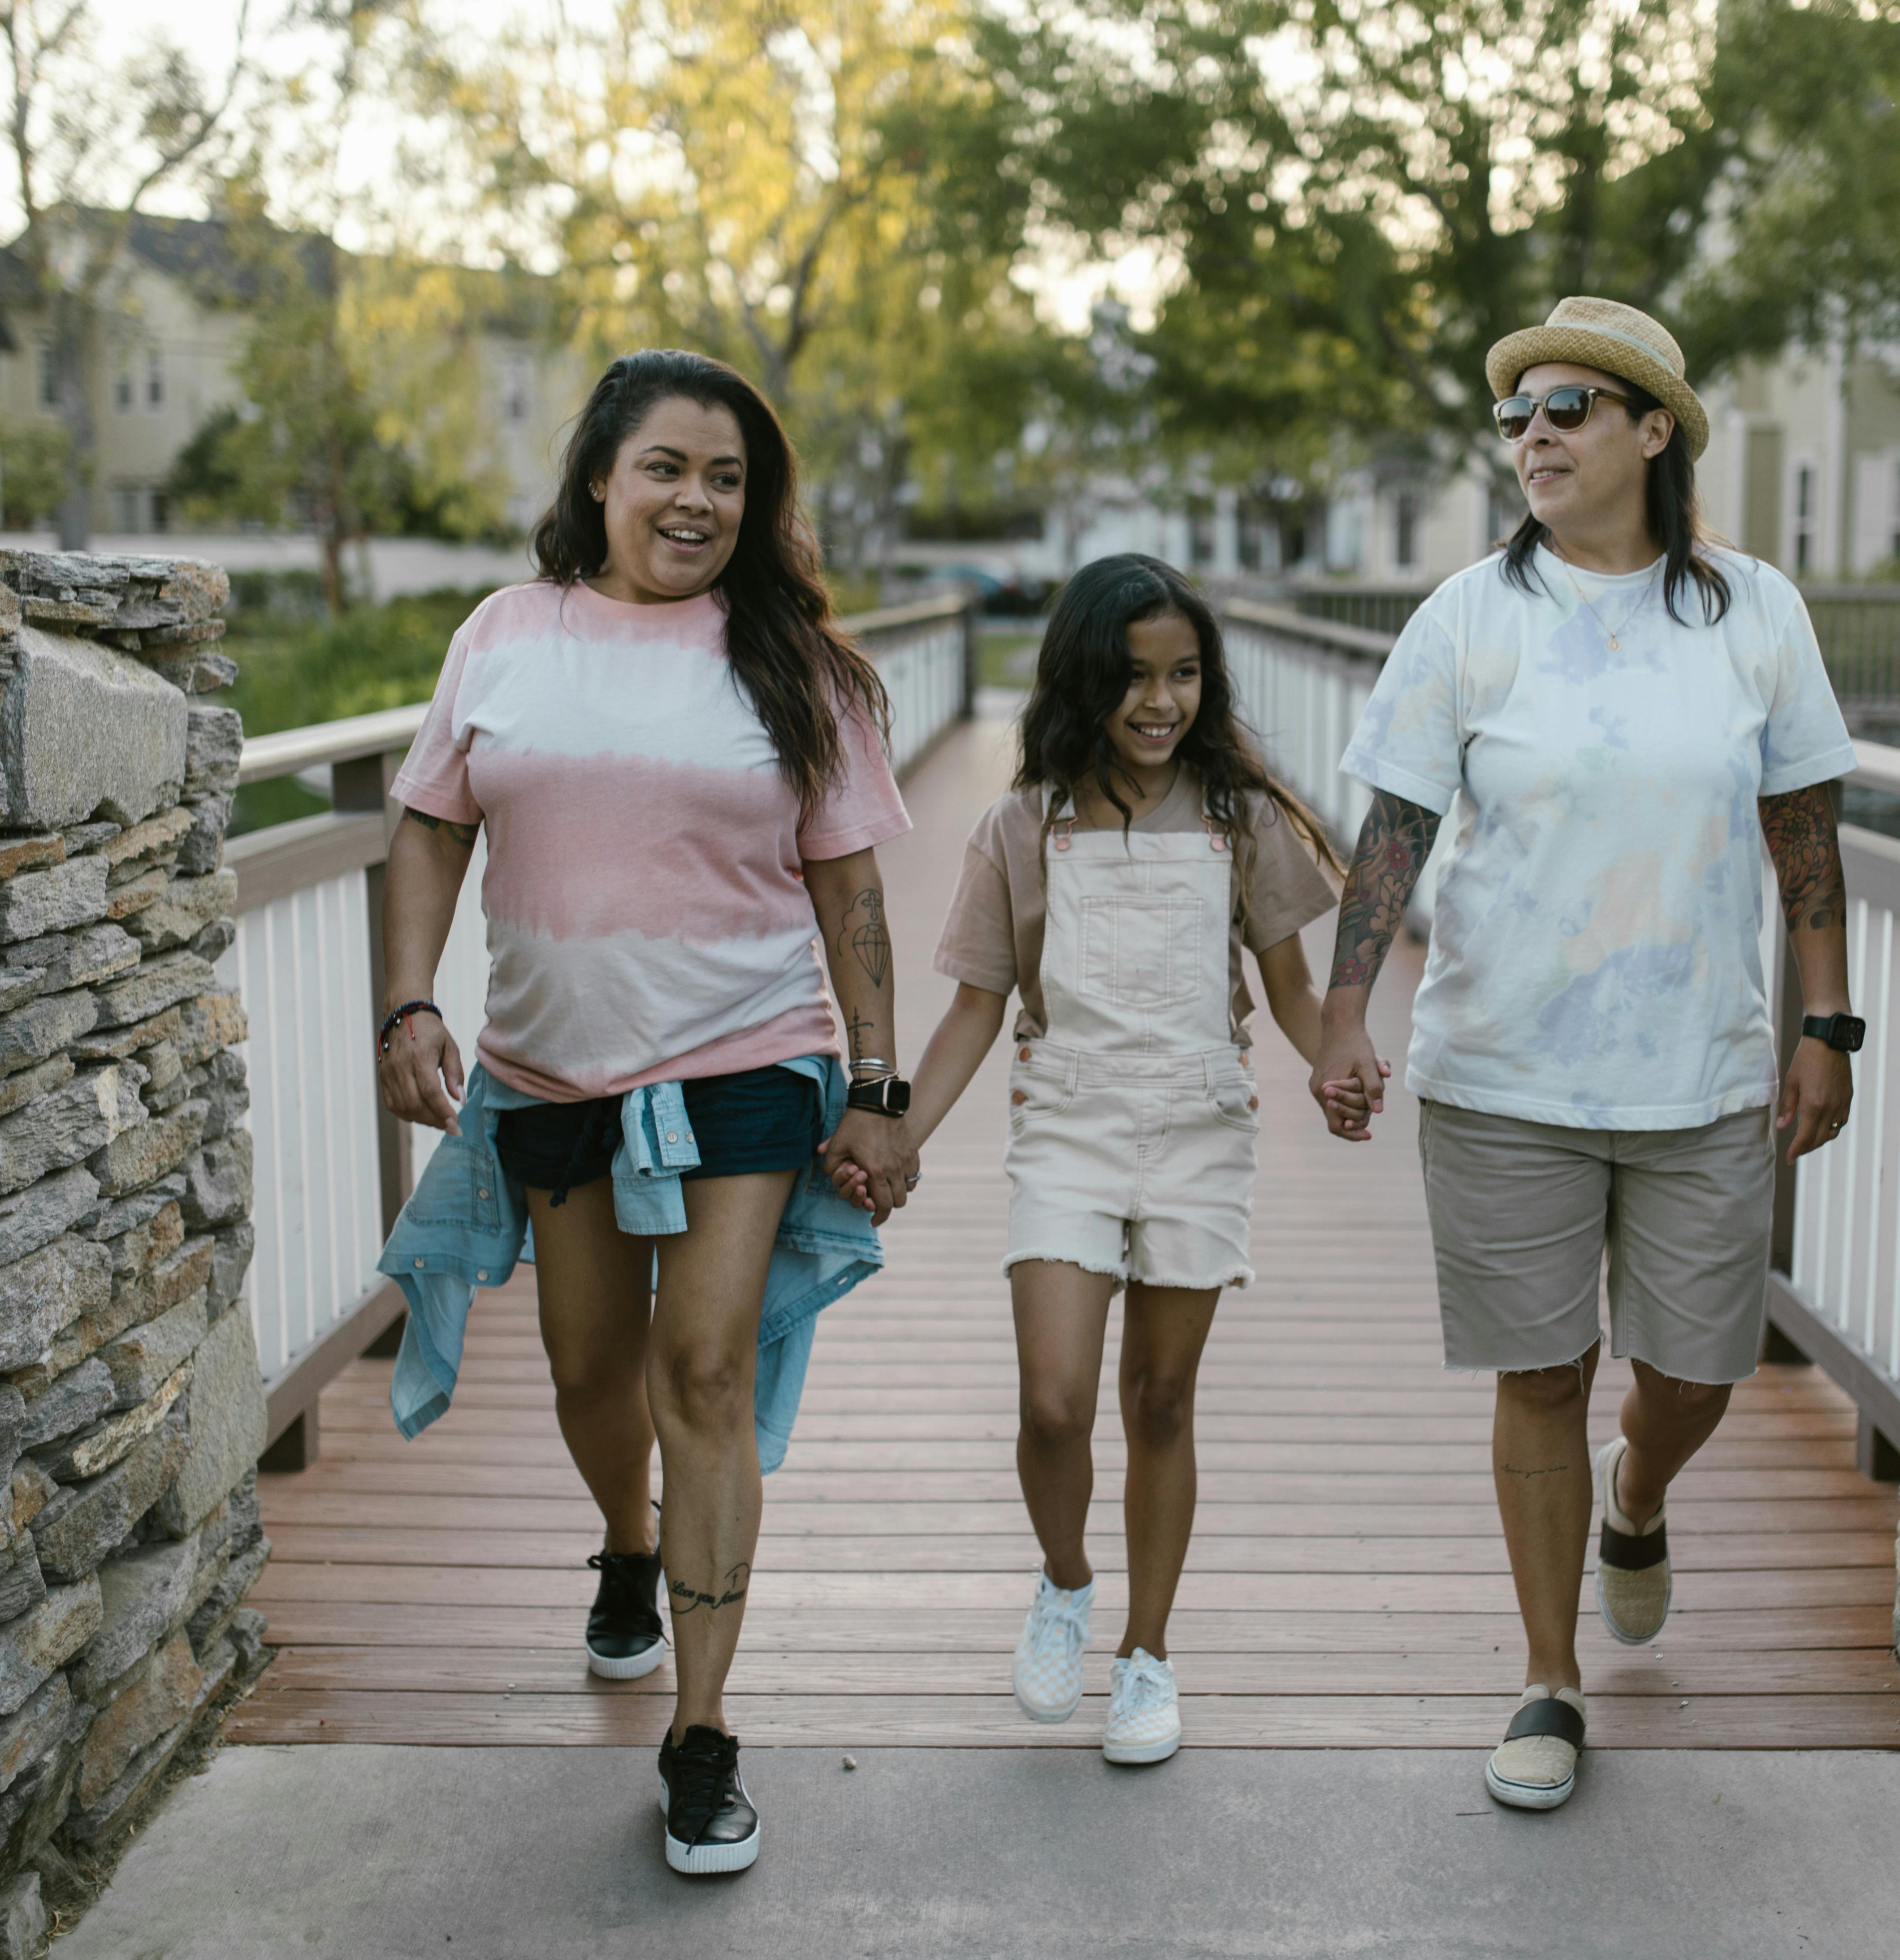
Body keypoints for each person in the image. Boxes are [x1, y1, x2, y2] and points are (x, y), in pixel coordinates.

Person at [371, 349, 920, 1876]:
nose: (697, 500)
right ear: (601, 477)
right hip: (550, 1072)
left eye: (728, 478)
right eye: (668, 467)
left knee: (704, 1369)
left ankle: (701, 1733)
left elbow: (851, 886)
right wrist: (412, 1003)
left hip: (746, 1060)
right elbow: (425, 828)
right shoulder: (505, 635)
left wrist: (876, 1088)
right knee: (585, 1366)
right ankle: (626, 1542)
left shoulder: (790, 660)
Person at [1311, 298, 1861, 1813]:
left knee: (1692, 1369)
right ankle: (1548, 1680)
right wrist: (1343, 1007)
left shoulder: (1752, 611)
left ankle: (1641, 1493)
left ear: (1651, 431)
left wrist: (1828, 1021)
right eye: (1517, 417)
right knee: (1538, 1368)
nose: (1533, 436)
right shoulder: (1468, 616)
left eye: (1565, 408)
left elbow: (1800, 827)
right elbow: (1395, 828)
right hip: (1501, 1068)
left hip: (1700, 1069)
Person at [840, 554, 1338, 1764]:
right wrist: (899, 1129)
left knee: (1160, 1402)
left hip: (1196, 1125)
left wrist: (1339, 1062)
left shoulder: (1240, 820)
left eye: (1181, 676)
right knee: (1055, 1401)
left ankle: (1147, 1654)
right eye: (1130, 679)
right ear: (1080, 682)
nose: (1158, 702)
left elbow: (1291, 991)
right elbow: (974, 1008)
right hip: (1065, 1119)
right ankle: (1065, 1582)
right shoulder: (1025, 827)